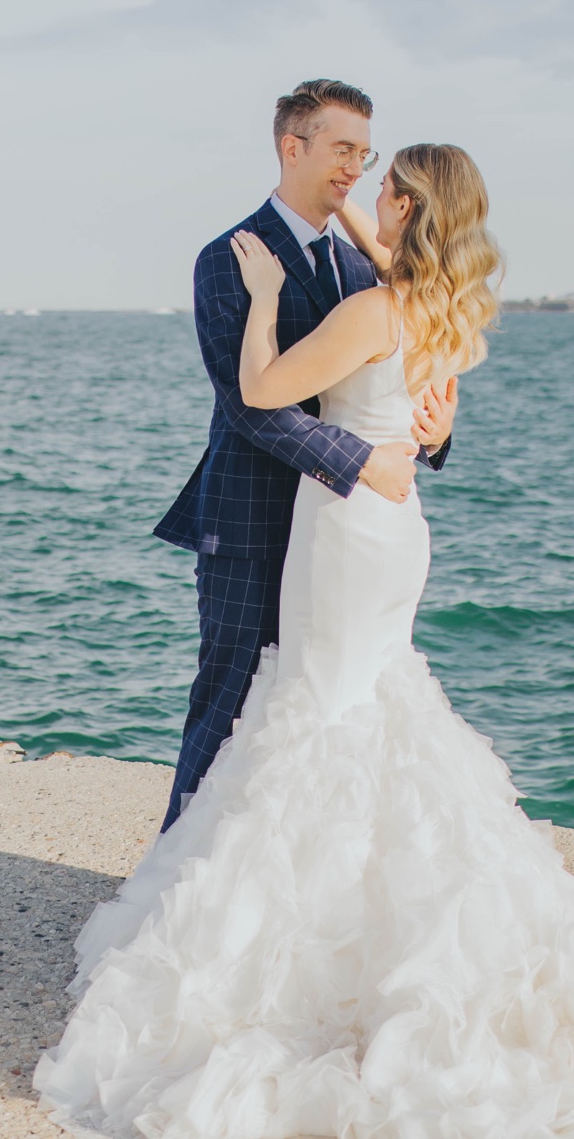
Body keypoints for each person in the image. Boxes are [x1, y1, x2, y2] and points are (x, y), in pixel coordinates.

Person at [35, 139, 574, 1137]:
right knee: (367, 702)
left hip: (341, 535)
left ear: (409, 204)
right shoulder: (448, 314)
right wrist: (344, 224)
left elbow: (259, 391)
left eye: (381, 185)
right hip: (397, 533)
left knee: (322, 709)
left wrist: (257, 294)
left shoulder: (371, 310)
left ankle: (306, 931)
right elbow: (420, 388)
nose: (366, 191)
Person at [149, 79, 457, 831]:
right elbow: (248, 406)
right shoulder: (230, 257)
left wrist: (435, 433)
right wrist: (358, 462)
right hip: (254, 521)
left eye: (365, 152)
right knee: (231, 705)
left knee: (330, 712)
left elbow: (397, 382)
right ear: (294, 146)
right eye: (342, 149)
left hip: (344, 541)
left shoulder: (364, 268)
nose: (355, 168)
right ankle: (172, 883)